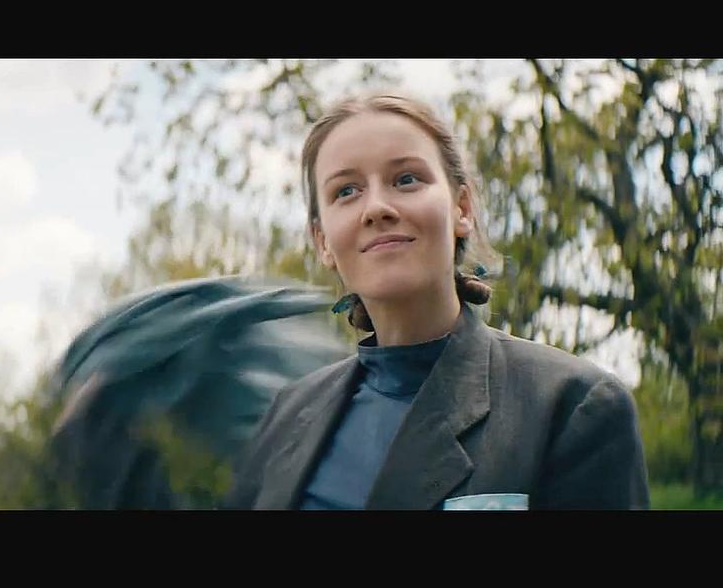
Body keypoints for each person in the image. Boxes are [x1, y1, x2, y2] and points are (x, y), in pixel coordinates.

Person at [224, 92, 650, 510]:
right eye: (346, 191)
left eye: (406, 179)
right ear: (323, 242)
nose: (376, 207)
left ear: (462, 208)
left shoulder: (573, 406)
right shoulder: (286, 414)